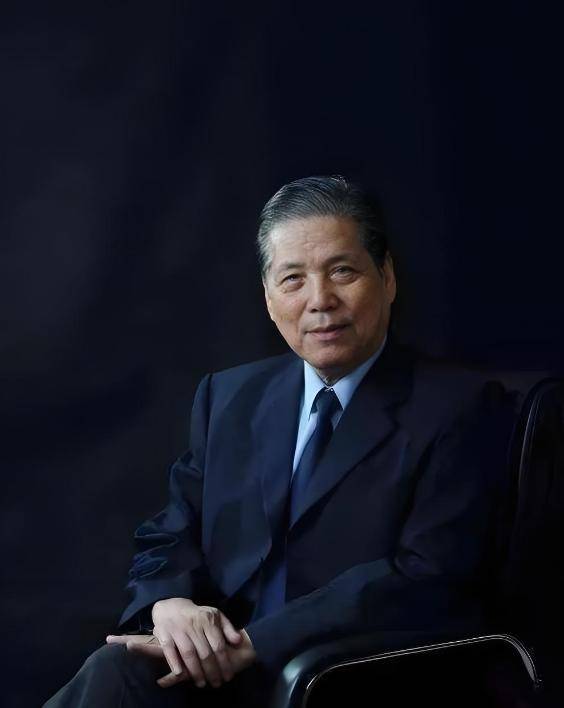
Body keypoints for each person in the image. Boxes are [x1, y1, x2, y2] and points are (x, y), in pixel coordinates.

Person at [45, 176, 516, 707]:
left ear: (386, 277)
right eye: (293, 279)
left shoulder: (460, 407)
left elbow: (428, 576)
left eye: (342, 271)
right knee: (119, 668)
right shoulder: (230, 397)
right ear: (269, 299)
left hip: (344, 676)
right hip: (216, 671)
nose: (320, 301)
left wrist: (256, 643)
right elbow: (172, 532)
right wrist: (169, 605)